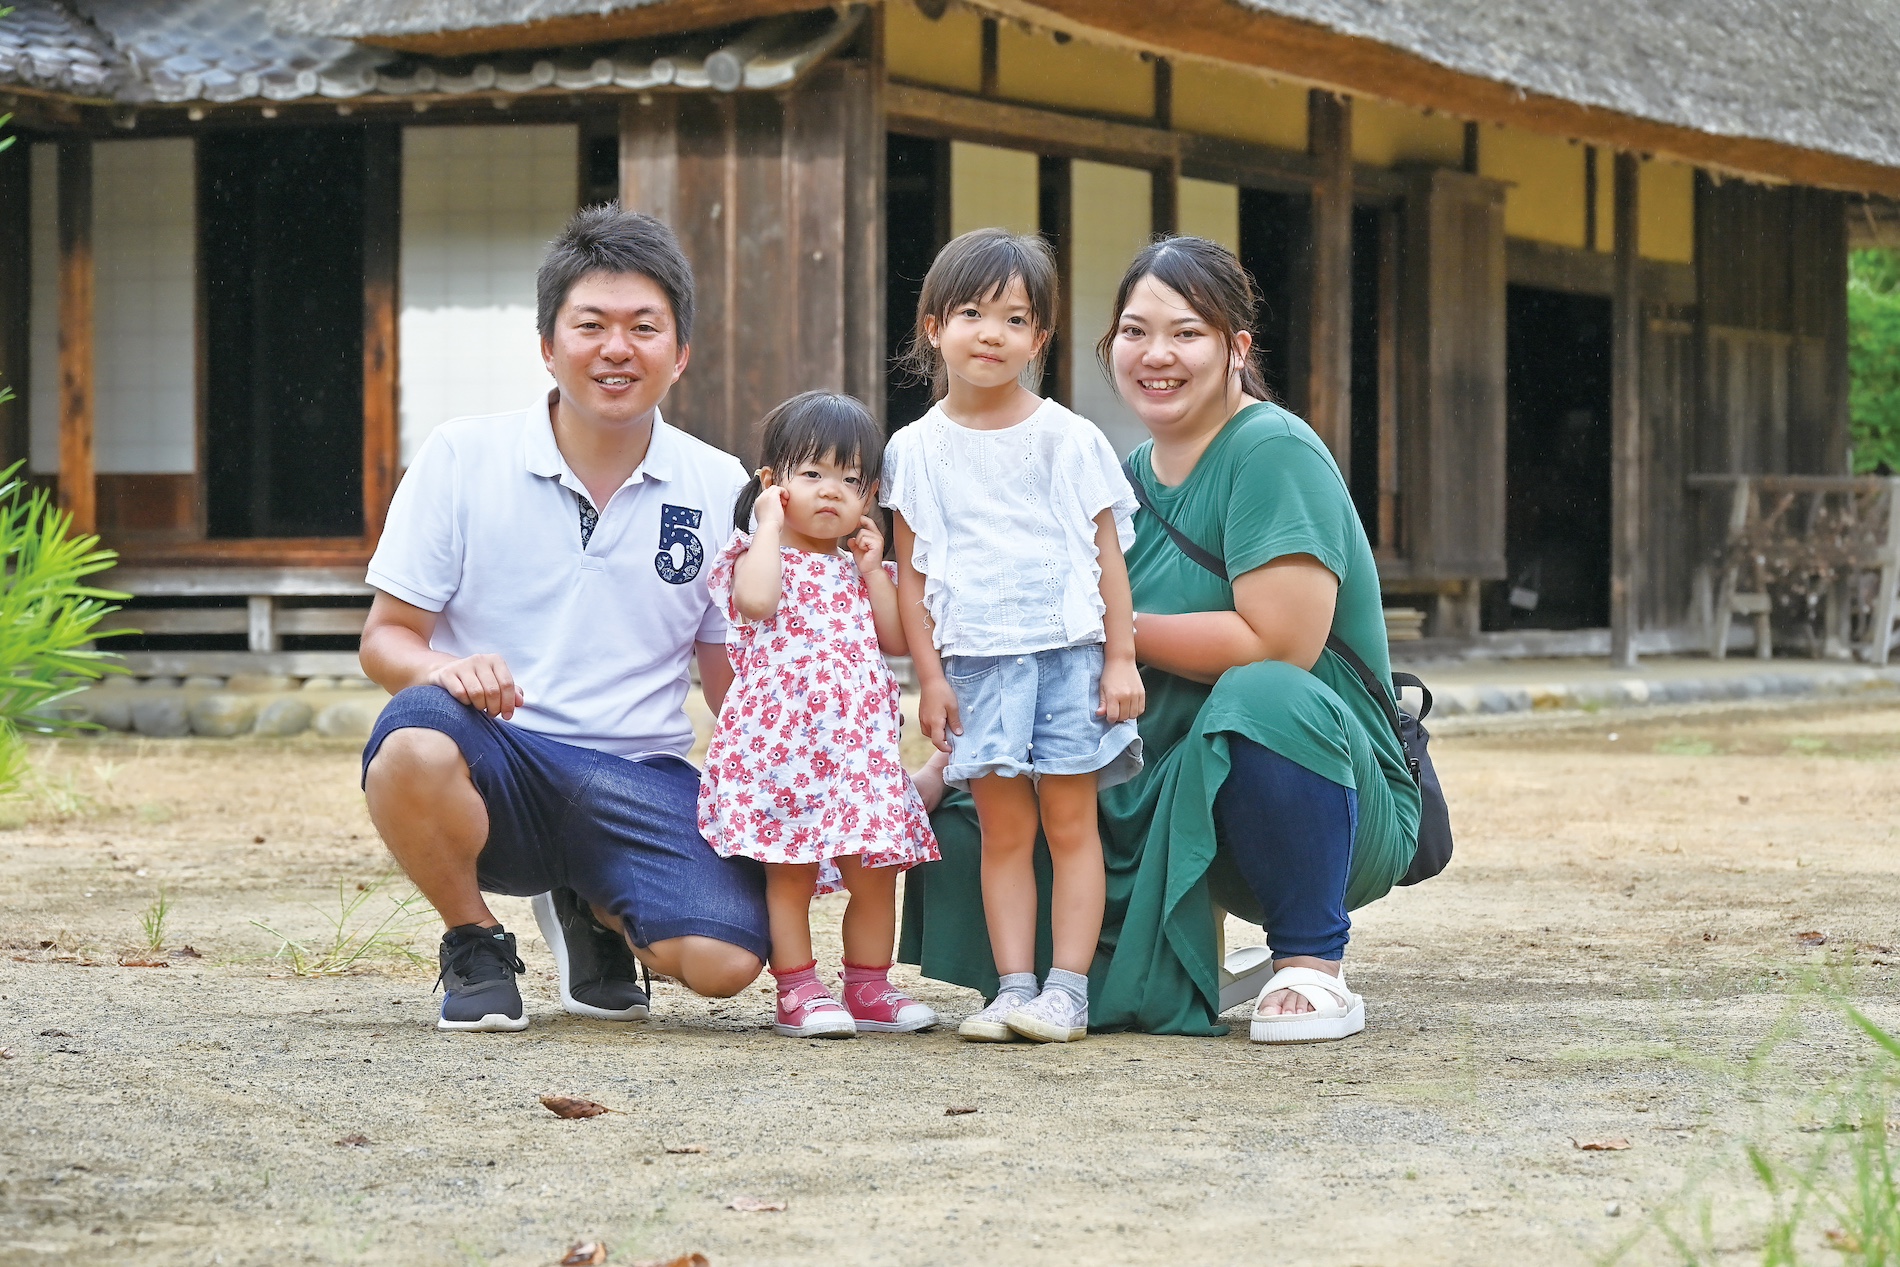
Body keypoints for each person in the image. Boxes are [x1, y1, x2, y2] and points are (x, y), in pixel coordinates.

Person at [900, 236, 1422, 1042]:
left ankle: (1314, 963)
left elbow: (1280, 643)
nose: (1157, 355)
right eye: (1136, 333)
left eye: (1187, 332)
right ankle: (1063, 981)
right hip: (1178, 776)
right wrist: (943, 765)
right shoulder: (1128, 472)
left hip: (1328, 787)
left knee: (1263, 688)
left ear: (1236, 349)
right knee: (993, 784)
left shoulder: (1272, 451)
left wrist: (1109, 633)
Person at [358, 205, 768, 1033]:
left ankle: (590, 902)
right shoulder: (462, 456)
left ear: (680, 352)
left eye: (644, 328)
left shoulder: (719, 484)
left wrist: (815, 757)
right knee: (409, 741)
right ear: (549, 345)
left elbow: (733, 683)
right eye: (591, 325)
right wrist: (447, 669)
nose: (617, 349)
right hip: (498, 752)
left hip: (640, 770)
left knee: (725, 964)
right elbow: (386, 637)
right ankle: (473, 937)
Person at [883, 228, 1144, 1045]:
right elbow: (912, 579)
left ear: (1040, 337)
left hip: (1069, 657)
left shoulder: (1069, 438)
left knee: (1070, 827)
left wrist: (1121, 659)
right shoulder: (913, 450)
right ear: (933, 326)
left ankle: (1067, 992)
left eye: (1014, 317)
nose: (990, 333)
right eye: (969, 312)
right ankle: (1011, 987)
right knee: (1003, 832)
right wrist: (930, 679)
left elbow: (1106, 559)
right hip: (975, 666)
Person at [699, 392, 941, 1039]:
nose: (832, 491)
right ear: (773, 483)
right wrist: (768, 525)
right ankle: (798, 987)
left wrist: (874, 567)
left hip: (858, 756)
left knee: (876, 870)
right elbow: (755, 601)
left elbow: (895, 638)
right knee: (792, 872)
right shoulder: (755, 554)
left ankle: (868, 984)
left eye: (851, 479)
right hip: (786, 754)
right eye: (812, 474)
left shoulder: (858, 567)